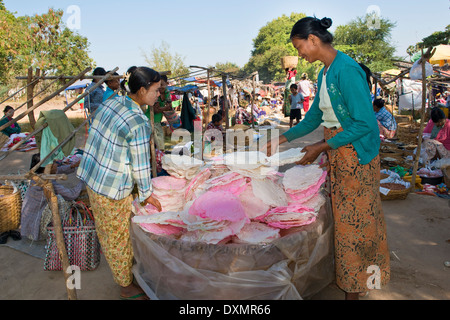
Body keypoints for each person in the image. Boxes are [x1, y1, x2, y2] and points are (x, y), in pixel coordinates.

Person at [264, 16, 390, 300]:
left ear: (313, 39)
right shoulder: (324, 73)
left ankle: (356, 289)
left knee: (356, 224)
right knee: (344, 221)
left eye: (299, 47)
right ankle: (352, 279)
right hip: (339, 152)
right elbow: (313, 119)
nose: (299, 54)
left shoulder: (347, 70)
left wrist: (322, 147)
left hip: (356, 156)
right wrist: (280, 140)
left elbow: (364, 124)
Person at [77, 66, 162, 300]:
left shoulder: (113, 102)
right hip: (111, 187)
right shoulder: (138, 121)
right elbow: (141, 164)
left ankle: (127, 275)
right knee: (117, 237)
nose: (158, 95)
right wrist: (146, 193)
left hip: (94, 177)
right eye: (156, 90)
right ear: (142, 90)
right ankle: (126, 286)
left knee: (109, 232)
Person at [20, 153, 84, 242]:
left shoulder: (38, 175)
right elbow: (72, 194)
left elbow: (59, 170)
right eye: (54, 163)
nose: (57, 165)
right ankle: (53, 232)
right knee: (63, 201)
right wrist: (83, 179)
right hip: (36, 228)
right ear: (46, 168)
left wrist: (73, 166)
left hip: (28, 225)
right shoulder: (47, 184)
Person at [146, 74, 172, 151]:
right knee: (159, 144)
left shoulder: (167, 92)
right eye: (158, 85)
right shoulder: (155, 93)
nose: (160, 87)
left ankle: (158, 158)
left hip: (157, 121)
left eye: (162, 84)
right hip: (150, 120)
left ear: (167, 84)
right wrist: (165, 108)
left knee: (159, 144)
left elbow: (169, 107)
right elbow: (156, 110)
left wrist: (162, 108)